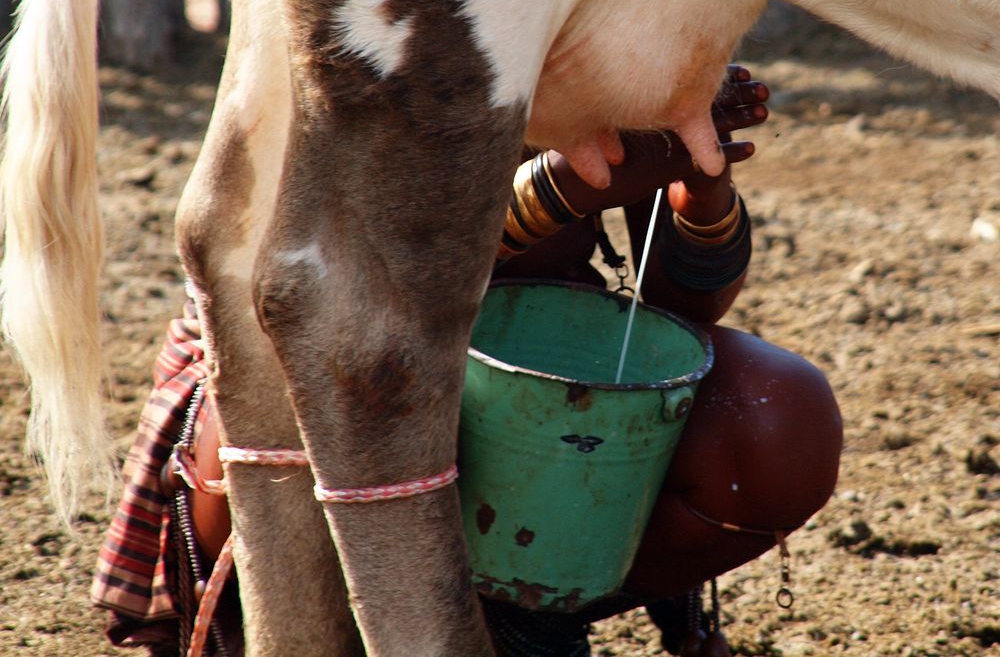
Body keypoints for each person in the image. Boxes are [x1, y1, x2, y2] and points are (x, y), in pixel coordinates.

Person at [92, 65, 842, 657]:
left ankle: (533, 621)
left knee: (776, 424)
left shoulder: (610, 28)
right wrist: (560, 190)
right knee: (330, 396)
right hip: (321, 382)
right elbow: (352, 293)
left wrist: (698, 187)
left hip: (538, 398)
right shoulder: (381, 3)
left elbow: (682, 309)